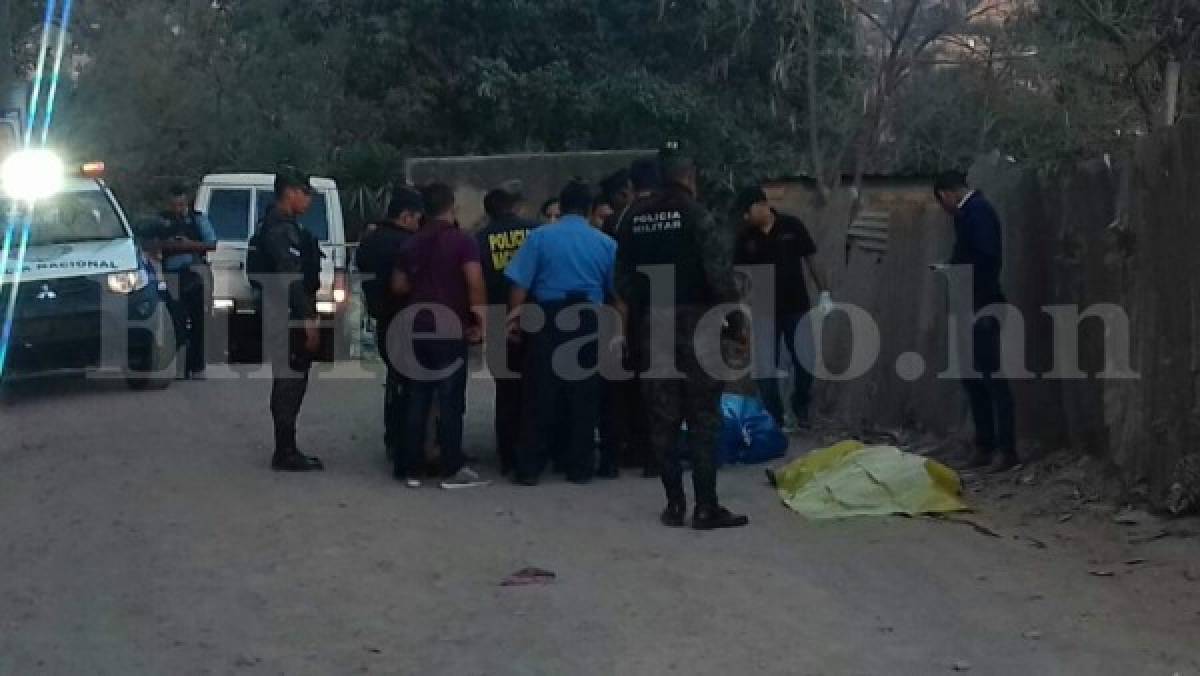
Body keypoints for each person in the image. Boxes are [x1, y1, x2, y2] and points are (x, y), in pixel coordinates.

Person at [614, 152, 749, 530]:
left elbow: (621, 281)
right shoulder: (696, 214)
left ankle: (674, 504)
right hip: (697, 324)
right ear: (689, 177)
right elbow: (719, 274)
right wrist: (735, 321)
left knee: (662, 418)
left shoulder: (632, 219)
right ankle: (706, 507)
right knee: (703, 415)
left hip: (652, 326)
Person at [505, 180, 617, 485]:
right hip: (588, 318)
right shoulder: (605, 243)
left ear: (562, 207)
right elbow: (617, 293)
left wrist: (513, 321)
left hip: (546, 317)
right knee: (584, 395)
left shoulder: (540, 237)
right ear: (591, 209)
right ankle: (579, 467)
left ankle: (529, 467)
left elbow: (519, 284)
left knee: (539, 393)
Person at [391, 183, 489, 489]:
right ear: (452, 207)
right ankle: (451, 468)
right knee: (449, 399)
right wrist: (480, 320)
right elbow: (474, 281)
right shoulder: (462, 241)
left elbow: (398, 286)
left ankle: (411, 468)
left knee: (417, 397)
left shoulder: (410, 244)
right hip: (450, 327)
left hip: (416, 325)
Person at [933, 171, 1018, 472]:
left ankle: (1006, 450)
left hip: (983, 304)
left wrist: (954, 269)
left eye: (943, 203)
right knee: (972, 376)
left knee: (992, 377)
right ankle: (985, 444)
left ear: (946, 194)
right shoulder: (968, 214)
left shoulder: (978, 212)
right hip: (971, 303)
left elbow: (986, 256)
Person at [734, 186, 830, 431]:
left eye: (747, 212)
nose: (745, 218)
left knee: (805, 363)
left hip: (796, 307)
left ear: (759, 205)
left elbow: (812, 259)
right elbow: (741, 278)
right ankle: (774, 419)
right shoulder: (745, 237)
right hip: (763, 311)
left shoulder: (792, 226)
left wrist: (825, 293)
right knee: (765, 369)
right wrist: (740, 310)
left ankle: (800, 408)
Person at [257, 168, 324, 472]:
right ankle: (285, 451)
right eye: (305, 192)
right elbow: (291, 277)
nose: (308, 199)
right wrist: (307, 318)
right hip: (286, 313)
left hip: (278, 310)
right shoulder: (280, 230)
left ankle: (286, 447)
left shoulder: (276, 224)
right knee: (290, 380)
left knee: (288, 378)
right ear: (291, 192)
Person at [355, 187, 424, 463]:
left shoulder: (370, 241)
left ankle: (393, 439)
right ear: (406, 216)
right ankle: (407, 444)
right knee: (412, 387)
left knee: (396, 381)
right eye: (417, 219)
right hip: (407, 319)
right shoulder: (407, 244)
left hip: (383, 319)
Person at [476, 185, 539, 475]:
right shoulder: (535, 231)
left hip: (498, 318)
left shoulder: (480, 240)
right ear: (513, 207)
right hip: (535, 317)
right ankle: (533, 453)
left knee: (506, 390)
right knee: (535, 390)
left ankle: (507, 456)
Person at [152, 184, 216, 379]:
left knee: (199, 321)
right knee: (176, 322)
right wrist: (170, 245)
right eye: (174, 205)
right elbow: (150, 245)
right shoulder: (161, 221)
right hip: (172, 276)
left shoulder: (198, 219)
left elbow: (212, 243)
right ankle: (178, 366)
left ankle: (196, 367)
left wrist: (189, 245)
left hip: (196, 274)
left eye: (181, 204)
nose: (178, 209)